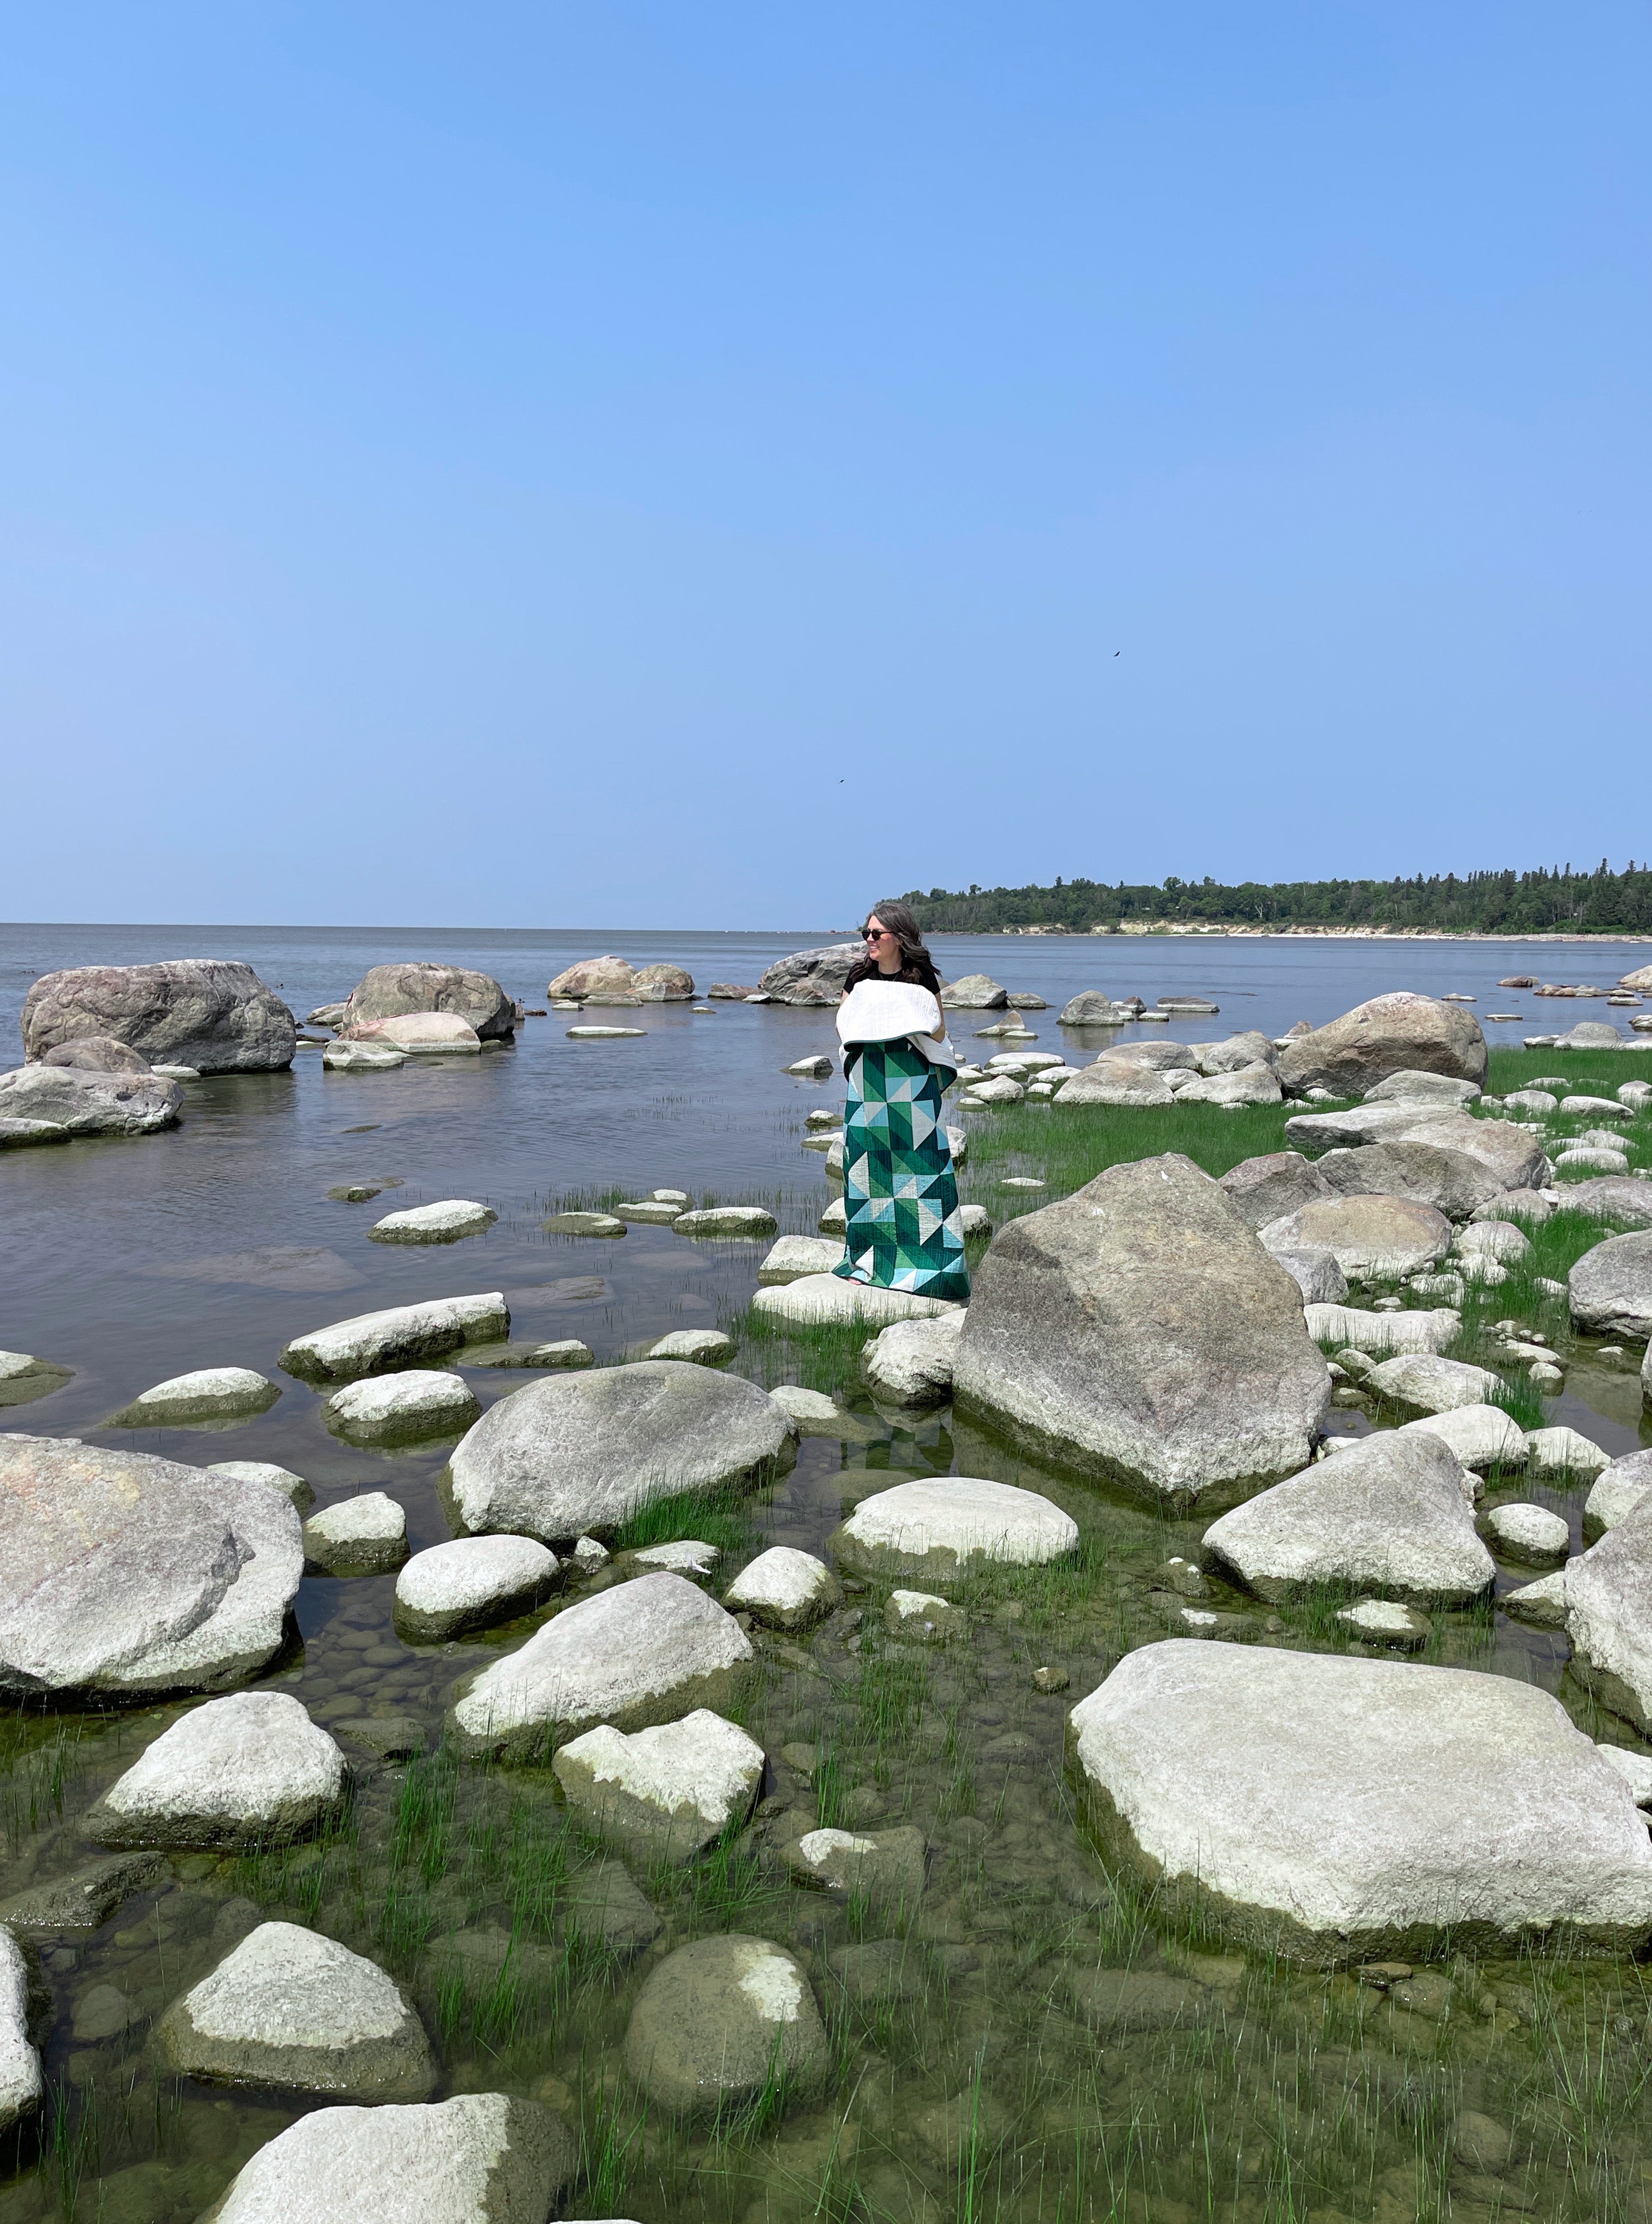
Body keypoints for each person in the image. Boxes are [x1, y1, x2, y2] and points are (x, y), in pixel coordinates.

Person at [832, 900, 970, 1300]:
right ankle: (869, 1262)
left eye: (877, 934)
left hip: (911, 1087)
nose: (870, 940)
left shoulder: (920, 977)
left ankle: (931, 1268)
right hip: (870, 1085)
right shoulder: (859, 976)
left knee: (922, 1173)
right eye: (867, 934)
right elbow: (845, 1026)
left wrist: (902, 1018)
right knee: (867, 1171)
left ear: (899, 938)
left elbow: (939, 1033)